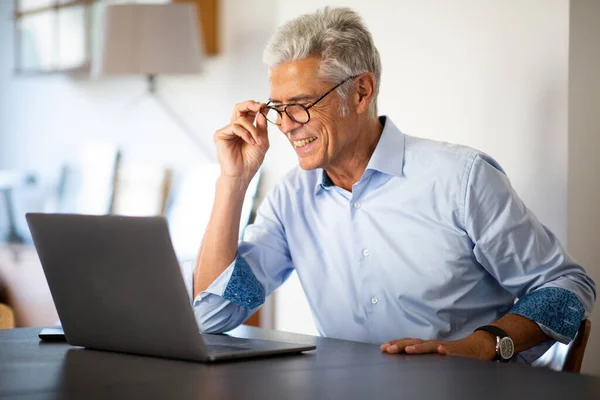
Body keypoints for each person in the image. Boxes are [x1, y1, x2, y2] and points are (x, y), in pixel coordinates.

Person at [192, 7, 595, 363]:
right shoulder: (289, 198)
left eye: (301, 104)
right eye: (278, 108)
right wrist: (233, 181)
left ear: (362, 92)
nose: (288, 125)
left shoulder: (461, 178)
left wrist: (481, 345)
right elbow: (211, 317)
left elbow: (567, 287)